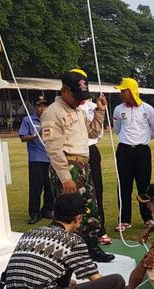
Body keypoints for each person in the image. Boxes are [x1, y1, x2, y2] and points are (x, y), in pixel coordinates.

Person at [3, 193, 125, 289]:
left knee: (64, 268)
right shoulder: (72, 241)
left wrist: (66, 285)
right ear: (78, 218)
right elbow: (96, 280)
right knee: (116, 283)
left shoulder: (29, 233)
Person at [41, 69, 114, 263]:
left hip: (83, 164)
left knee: (90, 208)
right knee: (69, 212)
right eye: (77, 96)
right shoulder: (53, 113)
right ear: (64, 90)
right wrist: (65, 177)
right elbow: (53, 149)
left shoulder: (78, 110)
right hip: (68, 165)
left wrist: (100, 111)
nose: (82, 101)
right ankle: (67, 253)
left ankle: (91, 248)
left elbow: (92, 133)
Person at [112, 77, 154, 231]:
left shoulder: (147, 109)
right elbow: (117, 128)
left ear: (132, 91)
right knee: (124, 185)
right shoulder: (118, 109)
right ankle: (124, 219)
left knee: (143, 186)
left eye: (123, 91)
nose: (121, 93)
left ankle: (147, 217)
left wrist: (143, 139)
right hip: (124, 150)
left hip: (142, 151)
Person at [79, 98, 111, 245]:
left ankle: (100, 229)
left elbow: (97, 133)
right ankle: (79, 230)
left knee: (97, 190)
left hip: (90, 149)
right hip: (74, 152)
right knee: (77, 192)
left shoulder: (94, 107)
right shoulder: (65, 108)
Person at [19, 96, 54, 225]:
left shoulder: (50, 120)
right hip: (36, 158)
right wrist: (35, 136)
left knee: (50, 187)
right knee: (36, 188)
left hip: (50, 157)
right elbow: (23, 137)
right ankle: (34, 213)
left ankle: (48, 210)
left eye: (45, 106)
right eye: (40, 106)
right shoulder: (28, 120)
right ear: (35, 107)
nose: (42, 108)